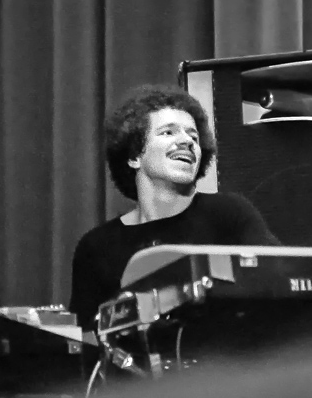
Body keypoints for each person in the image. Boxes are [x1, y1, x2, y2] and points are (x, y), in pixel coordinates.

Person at [69, 84, 280, 330]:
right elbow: (86, 339)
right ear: (134, 156)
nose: (187, 141)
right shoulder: (96, 247)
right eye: (168, 132)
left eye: (194, 137)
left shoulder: (228, 214)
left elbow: (279, 282)